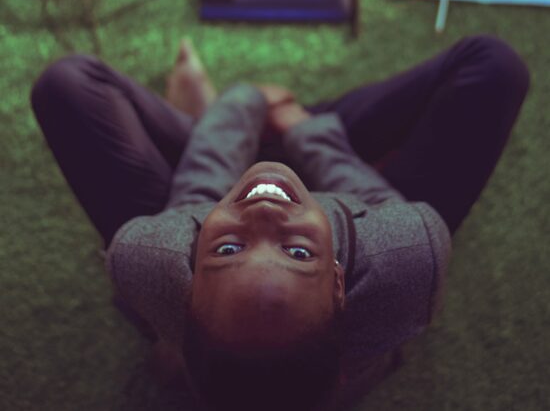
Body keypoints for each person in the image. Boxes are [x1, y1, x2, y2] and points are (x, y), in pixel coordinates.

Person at [30, 35, 530, 411]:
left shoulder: (148, 257)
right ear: (339, 280)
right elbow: (371, 198)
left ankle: (204, 120)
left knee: (65, 84)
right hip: (343, 172)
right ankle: (253, 131)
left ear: (185, 284)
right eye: (297, 254)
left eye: (227, 251)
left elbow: (202, 192)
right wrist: (299, 127)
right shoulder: (407, 254)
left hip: (210, 187)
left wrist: (243, 103)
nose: (264, 216)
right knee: (495, 66)